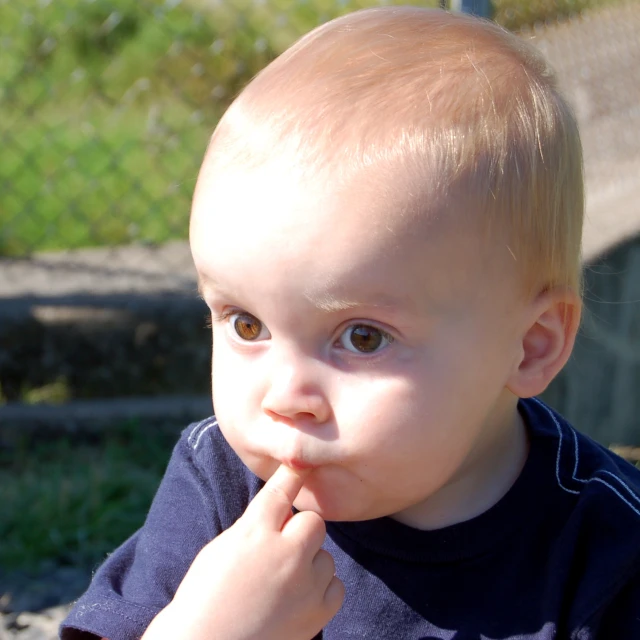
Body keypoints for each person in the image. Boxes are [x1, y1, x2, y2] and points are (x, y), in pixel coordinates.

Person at [60, 7, 640, 640]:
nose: (285, 399)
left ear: (529, 346)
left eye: (362, 337)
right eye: (247, 325)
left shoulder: (606, 550)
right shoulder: (226, 486)